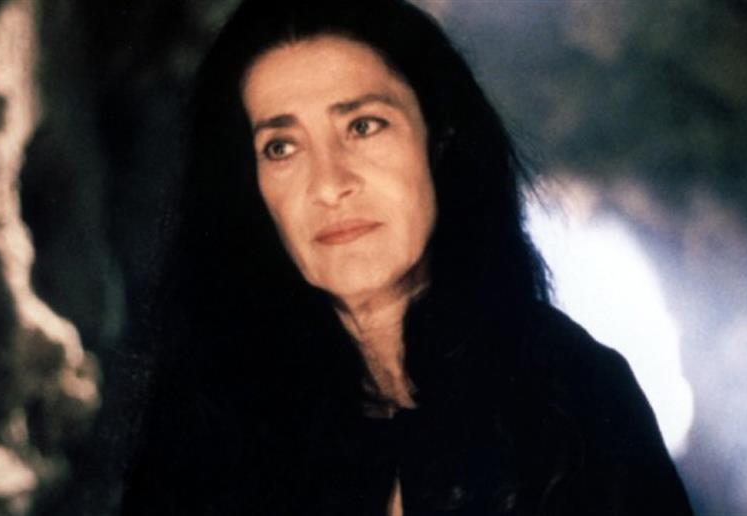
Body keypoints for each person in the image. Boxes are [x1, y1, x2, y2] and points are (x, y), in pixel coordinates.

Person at [121, 1, 694, 514]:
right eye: (281, 147)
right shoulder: (202, 428)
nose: (329, 184)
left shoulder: (575, 396)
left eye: (363, 126)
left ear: (438, 138)